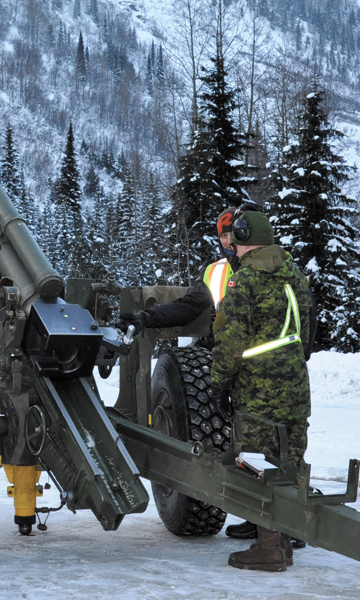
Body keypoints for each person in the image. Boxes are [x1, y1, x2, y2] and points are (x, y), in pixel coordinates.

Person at [209, 210, 312, 572]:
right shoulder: (294, 274)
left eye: (234, 241)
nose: (231, 248)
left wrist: (219, 383)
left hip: (256, 388)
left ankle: (269, 547)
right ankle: (283, 542)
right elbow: (308, 329)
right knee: (289, 460)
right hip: (296, 384)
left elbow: (230, 342)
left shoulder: (245, 280)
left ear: (243, 238)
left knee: (258, 463)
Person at [120, 207, 240, 336]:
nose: (229, 241)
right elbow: (187, 307)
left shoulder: (263, 264)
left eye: (233, 233)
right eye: (224, 235)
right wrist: (145, 318)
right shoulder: (215, 272)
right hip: (232, 351)